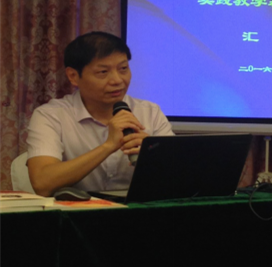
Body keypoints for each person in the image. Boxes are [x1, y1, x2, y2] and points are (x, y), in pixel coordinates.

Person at [27, 31, 174, 196]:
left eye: (123, 69)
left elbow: (180, 176)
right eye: (103, 72)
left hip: (138, 208)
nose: (117, 80)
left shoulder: (150, 112)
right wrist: (108, 146)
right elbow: (42, 183)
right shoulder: (51, 115)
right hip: (77, 210)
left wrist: (154, 155)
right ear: (73, 76)